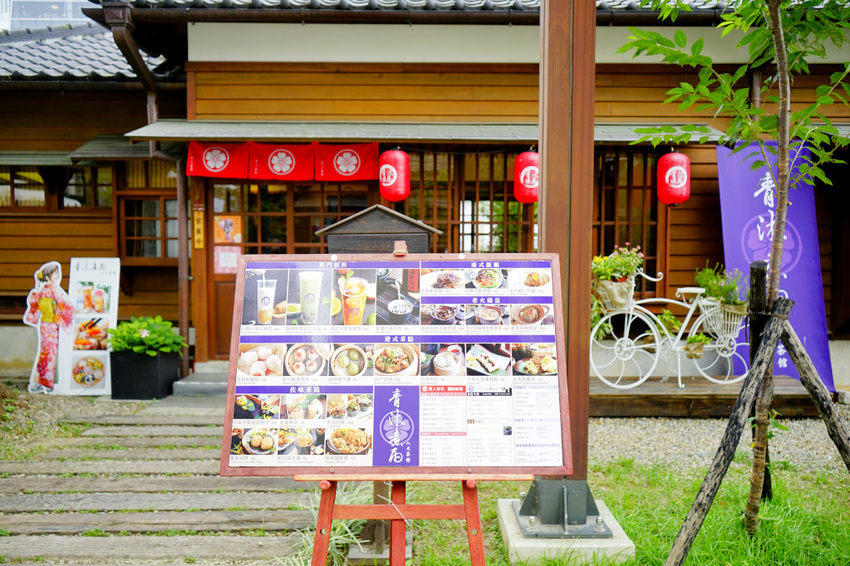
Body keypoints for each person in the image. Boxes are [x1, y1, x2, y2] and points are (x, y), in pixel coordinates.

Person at [23, 261, 73, 393]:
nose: (57, 274)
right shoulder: (53, 290)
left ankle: (39, 381)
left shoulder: (42, 290)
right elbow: (66, 304)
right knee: (50, 354)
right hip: (51, 324)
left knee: (45, 353)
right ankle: (47, 383)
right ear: (48, 276)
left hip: (44, 324)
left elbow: (35, 304)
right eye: (54, 272)